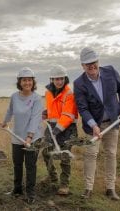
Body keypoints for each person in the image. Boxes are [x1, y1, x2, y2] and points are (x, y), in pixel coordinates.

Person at [73, 47, 120, 200]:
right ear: (82, 66)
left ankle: (110, 188)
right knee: (91, 154)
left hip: (113, 122)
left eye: (94, 62)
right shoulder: (79, 83)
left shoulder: (110, 71)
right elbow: (83, 108)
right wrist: (93, 125)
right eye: (87, 64)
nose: (91, 66)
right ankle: (88, 189)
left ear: (98, 61)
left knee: (111, 154)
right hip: (92, 126)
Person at [0, 67, 43, 204]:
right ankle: (17, 189)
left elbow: (35, 118)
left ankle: (30, 193)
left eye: (29, 80)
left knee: (30, 165)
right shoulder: (14, 96)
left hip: (33, 138)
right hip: (17, 136)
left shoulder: (36, 98)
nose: (27, 83)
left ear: (33, 82)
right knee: (17, 164)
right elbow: (10, 111)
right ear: (20, 82)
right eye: (24, 80)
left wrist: (29, 137)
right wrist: (4, 122)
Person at [41, 65, 78, 195]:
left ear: (65, 78)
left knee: (64, 156)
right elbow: (53, 110)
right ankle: (52, 176)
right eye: (56, 79)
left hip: (67, 128)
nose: (59, 81)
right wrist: (46, 113)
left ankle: (64, 184)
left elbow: (68, 115)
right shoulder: (48, 92)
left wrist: (57, 130)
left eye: (61, 78)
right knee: (46, 152)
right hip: (52, 127)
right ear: (52, 79)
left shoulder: (69, 93)